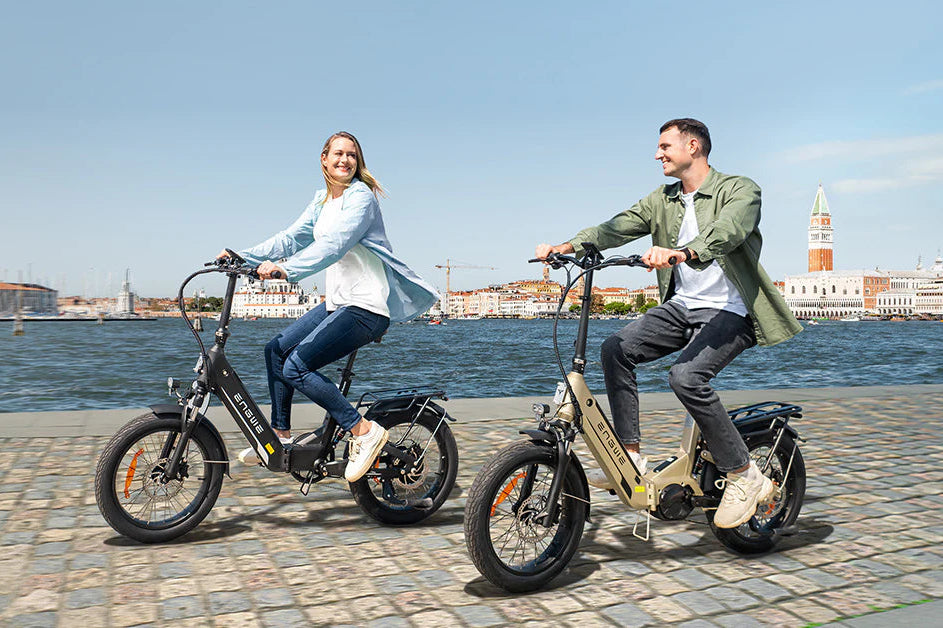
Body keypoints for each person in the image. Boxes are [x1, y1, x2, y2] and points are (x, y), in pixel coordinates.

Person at [535, 118, 802, 529]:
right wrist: (565, 246)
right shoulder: (663, 198)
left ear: (693, 146)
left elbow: (727, 232)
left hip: (731, 310)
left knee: (686, 377)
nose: (657, 154)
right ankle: (631, 457)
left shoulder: (741, 189)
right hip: (682, 307)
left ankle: (744, 474)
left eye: (665, 146)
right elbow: (616, 226)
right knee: (615, 350)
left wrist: (682, 253)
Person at [220, 131, 438, 482]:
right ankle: (280, 437)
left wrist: (286, 269)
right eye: (338, 153)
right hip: (339, 304)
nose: (345, 160)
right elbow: (290, 238)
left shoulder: (361, 199)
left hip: (366, 306)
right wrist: (242, 255)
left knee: (296, 366)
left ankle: (363, 431)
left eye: (352, 155)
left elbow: (335, 245)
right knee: (275, 350)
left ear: (358, 161)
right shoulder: (322, 201)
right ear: (324, 158)